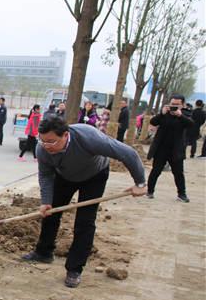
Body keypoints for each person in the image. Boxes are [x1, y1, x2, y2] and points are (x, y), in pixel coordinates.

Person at [21, 115, 147, 288]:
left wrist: (140, 182)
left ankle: (74, 269)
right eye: (43, 141)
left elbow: (127, 153)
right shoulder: (42, 149)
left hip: (94, 176)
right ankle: (43, 252)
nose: (46, 146)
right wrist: (46, 201)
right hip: (64, 176)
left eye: (51, 142)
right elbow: (45, 175)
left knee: (84, 221)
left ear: (65, 135)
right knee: (50, 213)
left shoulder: (89, 137)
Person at [146, 94, 194, 202]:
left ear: (183, 105)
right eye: (172, 104)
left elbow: (191, 124)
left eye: (177, 104)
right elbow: (153, 122)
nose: (174, 106)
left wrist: (180, 115)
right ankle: (150, 191)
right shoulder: (164, 114)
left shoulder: (185, 114)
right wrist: (161, 114)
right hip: (161, 149)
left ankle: (182, 194)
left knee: (178, 173)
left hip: (176, 150)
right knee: (156, 171)